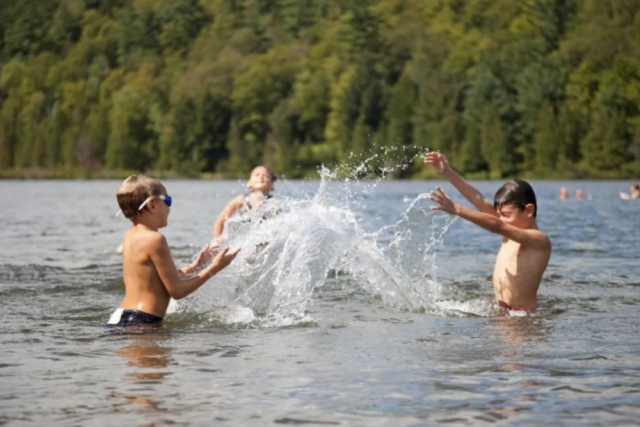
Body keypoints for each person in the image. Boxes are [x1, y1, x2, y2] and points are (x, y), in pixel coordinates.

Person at [424, 152, 552, 313]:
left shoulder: (539, 241)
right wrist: (447, 172)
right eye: (499, 215)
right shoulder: (509, 232)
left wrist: (457, 209)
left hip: (523, 318)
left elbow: (498, 225)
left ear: (528, 210)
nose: (501, 219)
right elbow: (478, 199)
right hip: (500, 312)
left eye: (506, 215)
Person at [108, 175, 240, 327]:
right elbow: (177, 291)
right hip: (141, 322)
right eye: (167, 200)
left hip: (121, 316)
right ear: (152, 205)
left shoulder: (129, 235)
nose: (169, 207)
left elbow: (156, 281)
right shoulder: (155, 239)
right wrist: (215, 267)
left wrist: (195, 266)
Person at [212, 165, 277, 242]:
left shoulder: (273, 201)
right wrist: (217, 239)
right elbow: (221, 219)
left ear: (271, 184)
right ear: (249, 182)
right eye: (257, 175)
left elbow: (276, 223)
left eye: (266, 176)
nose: (261, 177)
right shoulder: (241, 200)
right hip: (242, 237)